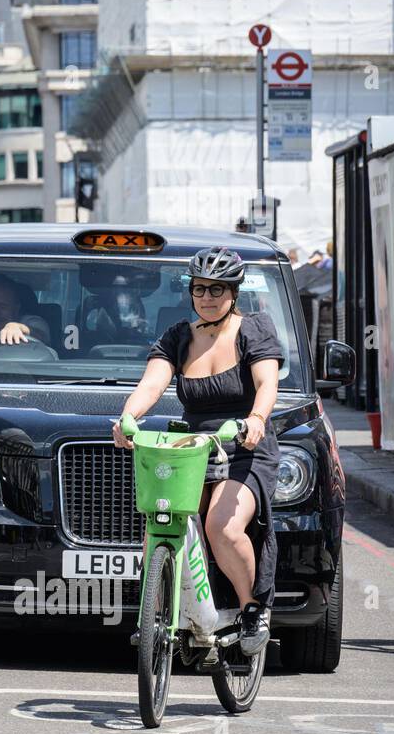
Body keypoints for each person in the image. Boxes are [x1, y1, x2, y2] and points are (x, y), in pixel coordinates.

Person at [113, 246, 282, 656]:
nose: (208, 297)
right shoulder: (178, 336)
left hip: (243, 446)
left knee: (221, 527)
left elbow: (267, 384)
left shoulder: (253, 329)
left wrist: (256, 420)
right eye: (200, 288)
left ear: (233, 293)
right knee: (162, 525)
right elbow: (152, 385)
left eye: (218, 289)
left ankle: (251, 610)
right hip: (195, 448)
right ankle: (159, 612)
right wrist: (127, 418)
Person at [0, 275, 52, 348]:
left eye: (2, 306)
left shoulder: (32, 322)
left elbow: (42, 336)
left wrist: (19, 328)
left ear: (16, 309)